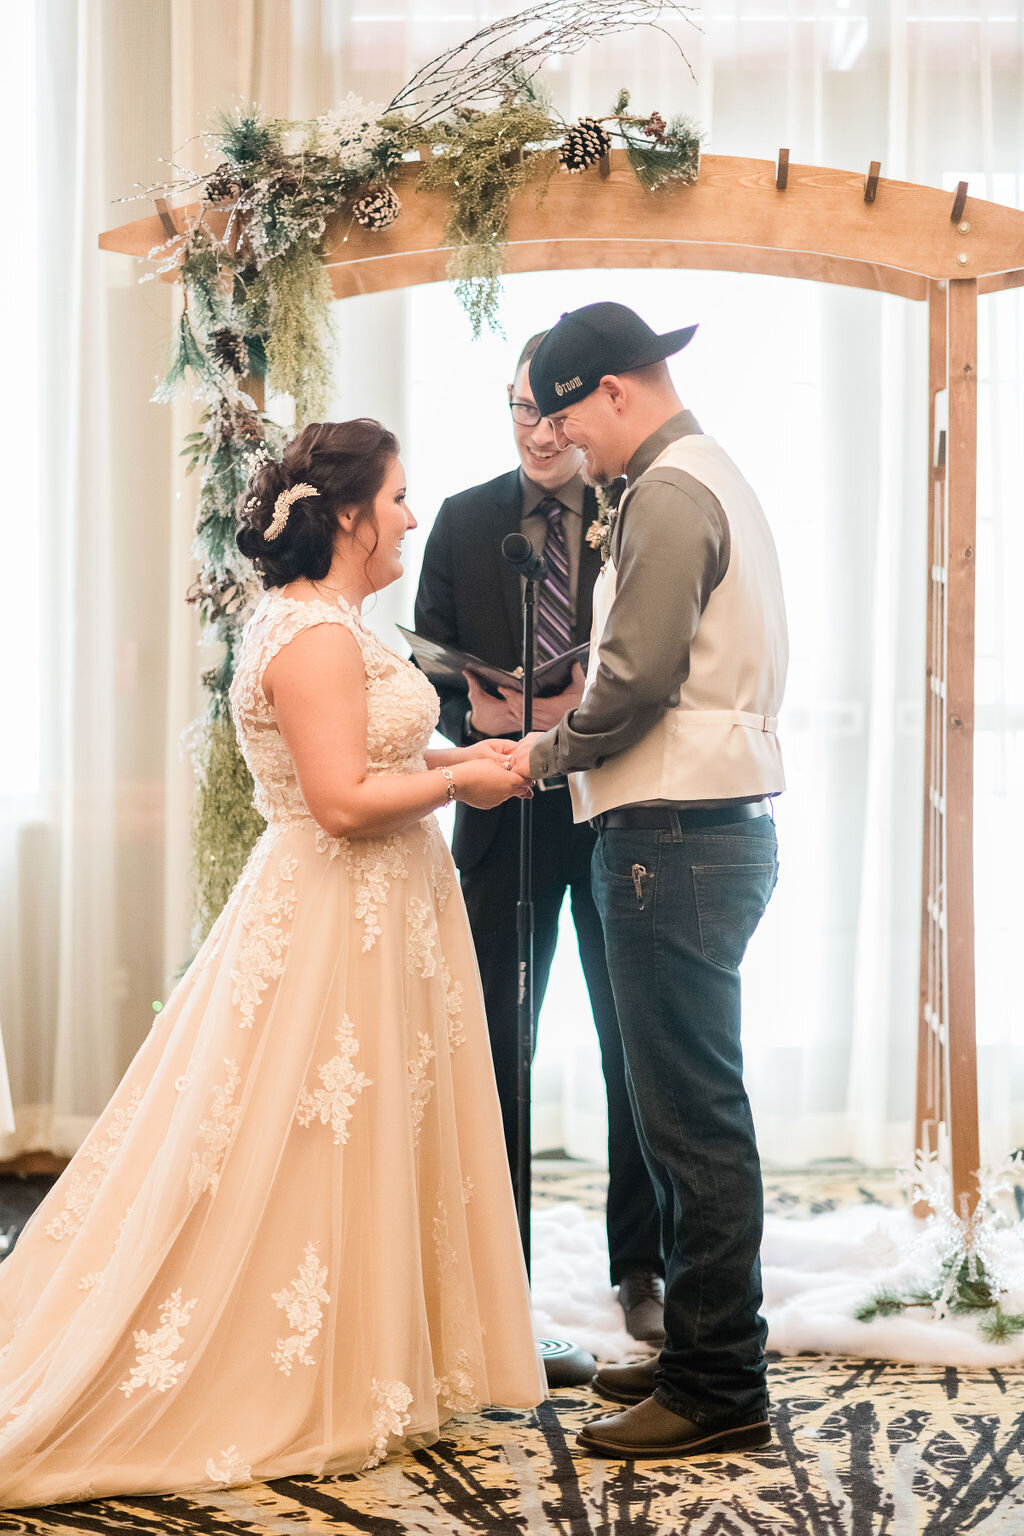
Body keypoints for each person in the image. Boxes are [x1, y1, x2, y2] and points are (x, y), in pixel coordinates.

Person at [0, 419, 544, 1507]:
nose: (410, 515)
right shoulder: (310, 635)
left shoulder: (333, 622)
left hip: (381, 911)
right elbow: (340, 803)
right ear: (348, 514)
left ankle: (378, 1361)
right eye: (397, 497)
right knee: (295, 1143)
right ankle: (290, 1368)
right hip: (333, 914)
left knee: (353, 1137)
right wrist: (462, 786)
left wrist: (454, 755)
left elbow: (365, 753)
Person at [510, 302, 788, 1460]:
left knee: (689, 1120)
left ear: (612, 391)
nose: (564, 442)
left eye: (566, 417)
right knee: (686, 1111)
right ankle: (699, 1353)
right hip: (699, 829)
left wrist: (539, 754)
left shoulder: (668, 492)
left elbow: (630, 683)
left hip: (670, 834)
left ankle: (719, 1384)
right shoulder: (699, 473)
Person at [414, 333, 664, 1343]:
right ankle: (494, 1258)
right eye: (521, 410)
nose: (539, 431)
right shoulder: (466, 518)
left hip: (613, 814)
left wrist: (574, 706)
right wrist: (470, 715)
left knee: (630, 1048)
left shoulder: (632, 510)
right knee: (496, 1047)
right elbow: (424, 661)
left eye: (553, 414)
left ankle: (641, 1269)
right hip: (500, 823)